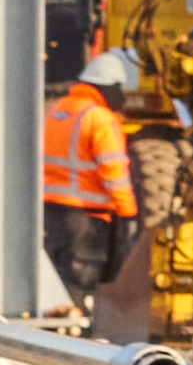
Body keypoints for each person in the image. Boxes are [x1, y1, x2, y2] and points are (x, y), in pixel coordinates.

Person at [42, 46, 144, 316]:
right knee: (82, 277)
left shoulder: (57, 110)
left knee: (59, 275)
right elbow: (114, 173)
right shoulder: (100, 119)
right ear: (107, 86)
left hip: (52, 210)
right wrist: (129, 213)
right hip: (87, 216)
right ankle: (75, 338)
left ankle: (57, 330)